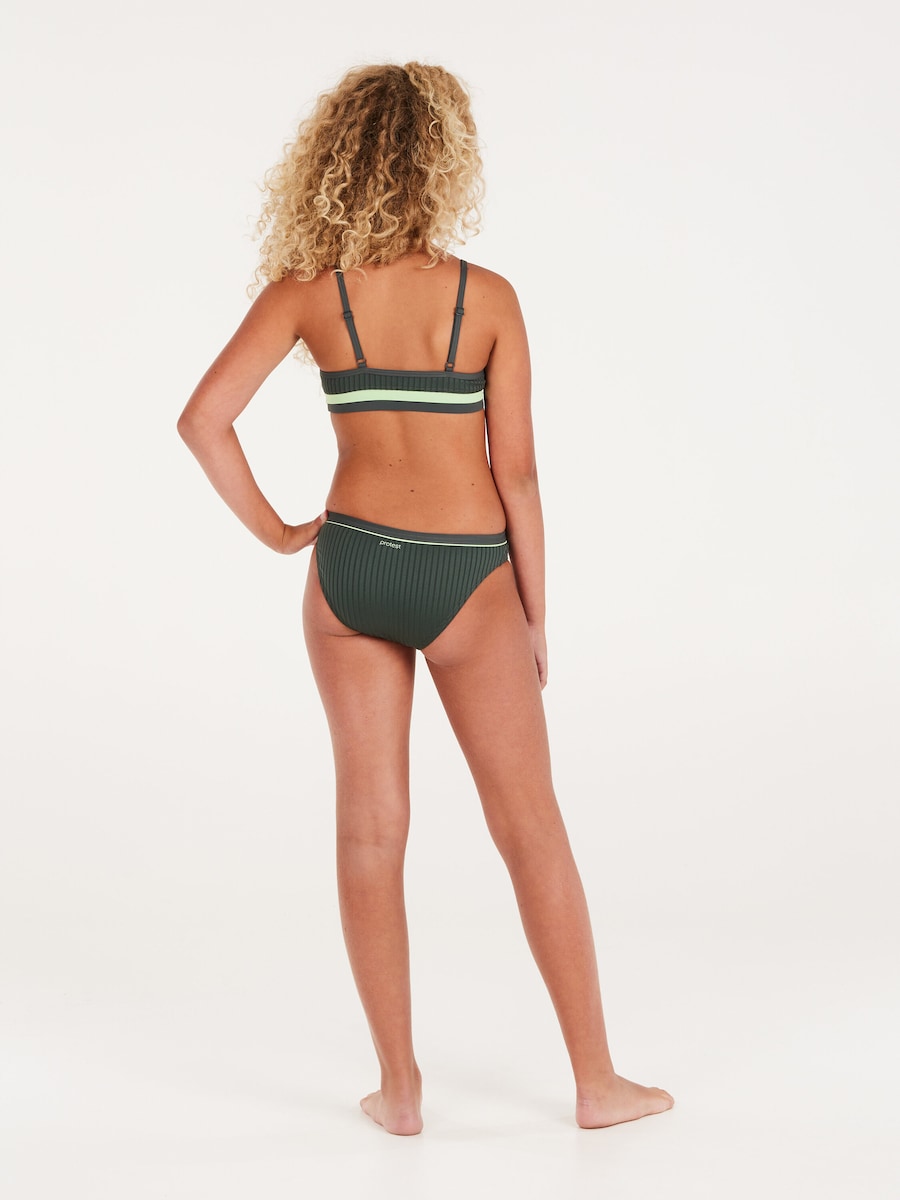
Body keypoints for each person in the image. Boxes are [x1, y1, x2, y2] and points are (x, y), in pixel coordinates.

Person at [178, 61, 673, 1137]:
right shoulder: (485, 299)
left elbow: (202, 420)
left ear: (336, 158)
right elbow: (518, 475)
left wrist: (283, 534)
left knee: (370, 829)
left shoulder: (309, 292)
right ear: (443, 160)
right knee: (530, 827)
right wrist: (534, 613)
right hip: (468, 577)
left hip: (350, 568)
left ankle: (399, 1090)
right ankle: (596, 1084)